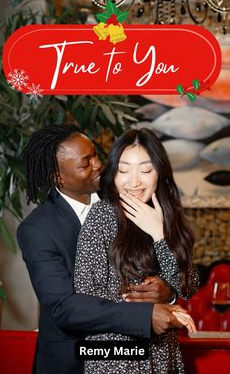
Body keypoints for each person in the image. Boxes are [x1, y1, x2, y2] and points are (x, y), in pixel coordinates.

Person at [17, 124, 187, 374]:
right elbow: (64, 307)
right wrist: (144, 315)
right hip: (73, 361)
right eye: (86, 163)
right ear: (58, 176)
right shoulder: (38, 229)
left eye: (96, 154)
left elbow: (173, 269)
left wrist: (167, 290)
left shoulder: (130, 197)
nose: (98, 164)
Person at [74, 128, 199, 374]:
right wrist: (149, 310)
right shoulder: (102, 216)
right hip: (116, 355)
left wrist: (159, 234)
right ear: (113, 174)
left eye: (145, 170)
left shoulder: (167, 215)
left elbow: (188, 285)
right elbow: (86, 292)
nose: (134, 181)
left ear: (160, 173)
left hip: (163, 354)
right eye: (123, 170)